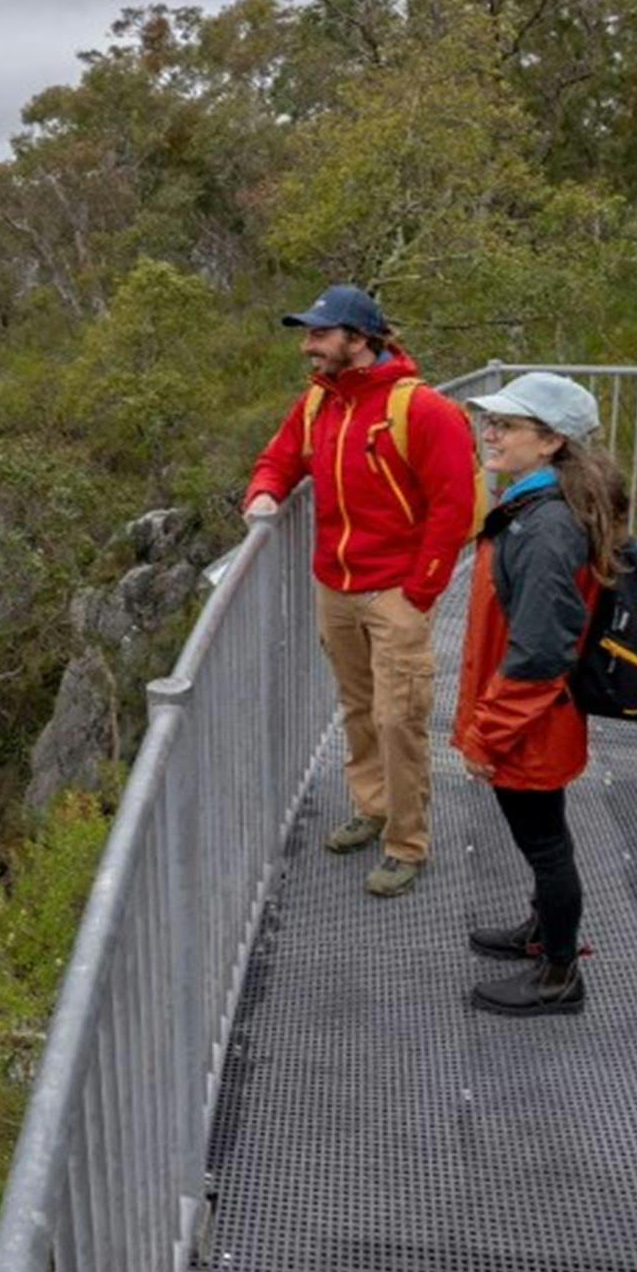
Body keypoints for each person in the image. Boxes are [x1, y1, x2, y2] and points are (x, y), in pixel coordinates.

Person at [244, 284, 481, 898]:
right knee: (356, 708)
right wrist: (264, 496)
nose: (308, 346)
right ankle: (372, 806)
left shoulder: (423, 410)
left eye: (319, 334)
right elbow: (276, 461)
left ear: (358, 338)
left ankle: (406, 842)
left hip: (395, 592)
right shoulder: (318, 405)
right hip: (335, 587)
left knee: (398, 716)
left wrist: (420, 591)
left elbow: (454, 508)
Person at [451, 370, 627, 1016]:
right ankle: (541, 934)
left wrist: (484, 736)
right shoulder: (539, 505)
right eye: (488, 421)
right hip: (531, 714)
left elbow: (542, 653)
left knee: (546, 846)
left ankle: (559, 976)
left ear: (551, 441)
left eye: (506, 425)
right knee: (542, 838)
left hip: (530, 720)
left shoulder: (545, 526)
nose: (488, 433)